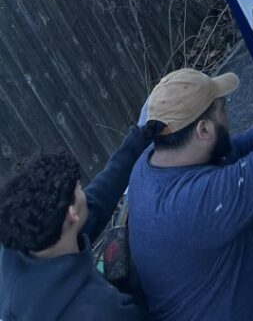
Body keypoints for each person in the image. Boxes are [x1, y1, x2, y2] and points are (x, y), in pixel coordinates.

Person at [128, 11, 253, 321]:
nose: (228, 114)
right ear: (203, 131)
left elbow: (246, 145)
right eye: (223, 109)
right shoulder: (190, 205)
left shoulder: (153, 162)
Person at [0, 122, 160, 321]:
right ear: (71, 214)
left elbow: (96, 202)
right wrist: (132, 287)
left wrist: (140, 138)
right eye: (79, 187)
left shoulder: (20, 242)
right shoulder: (104, 310)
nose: (84, 190)